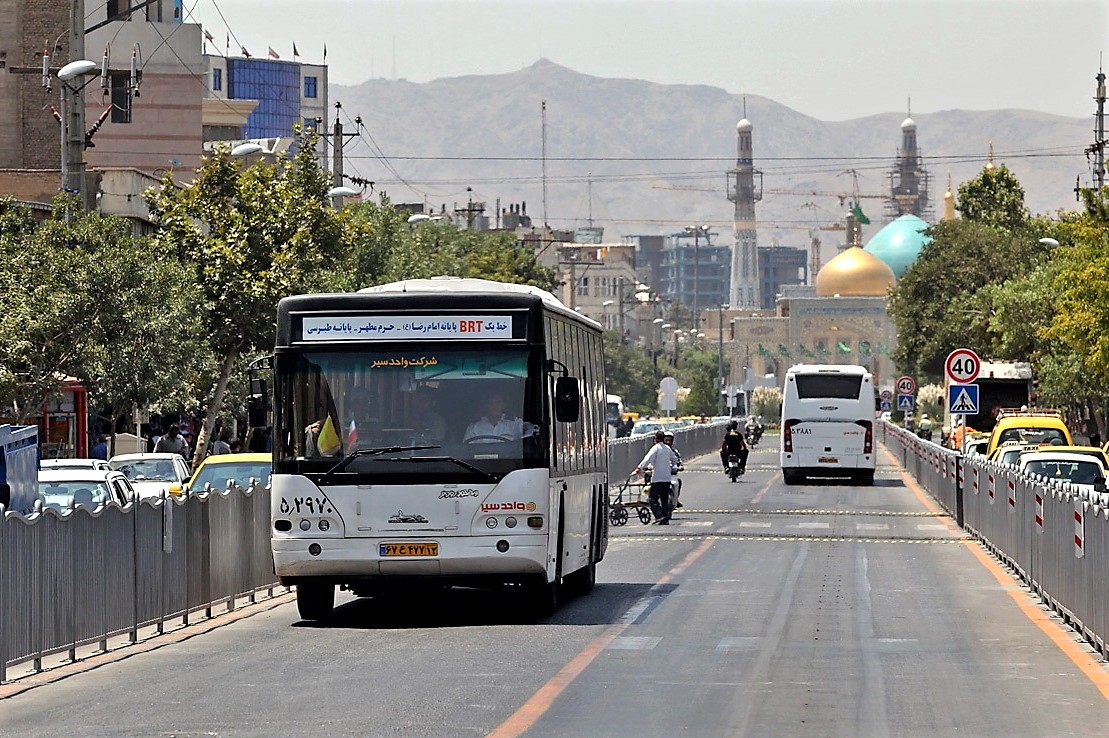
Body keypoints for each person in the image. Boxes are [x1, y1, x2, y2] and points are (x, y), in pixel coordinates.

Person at [633, 429, 677, 524]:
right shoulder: (667, 448)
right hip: (666, 478)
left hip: (657, 478)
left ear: (655, 439)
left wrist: (639, 468)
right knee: (664, 499)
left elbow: (647, 459)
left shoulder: (655, 448)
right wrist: (670, 466)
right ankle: (665, 519)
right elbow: (675, 459)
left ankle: (659, 515)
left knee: (652, 498)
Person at [463, 392, 538, 444]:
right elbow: (467, 449)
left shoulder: (515, 424)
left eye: (497, 402)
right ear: (486, 406)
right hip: (479, 464)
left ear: (503, 406)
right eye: (490, 403)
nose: (494, 406)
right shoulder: (474, 427)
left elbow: (531, 434)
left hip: (512, 464)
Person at [662, 430, 684, 508]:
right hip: (660, 474)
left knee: (678, 482)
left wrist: (680, 466)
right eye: (666, 440)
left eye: (669, 440)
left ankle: (675, 499)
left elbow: (679, 461)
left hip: (672, 474)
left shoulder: (674, 451)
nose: (668, 442)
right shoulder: (658, 450)